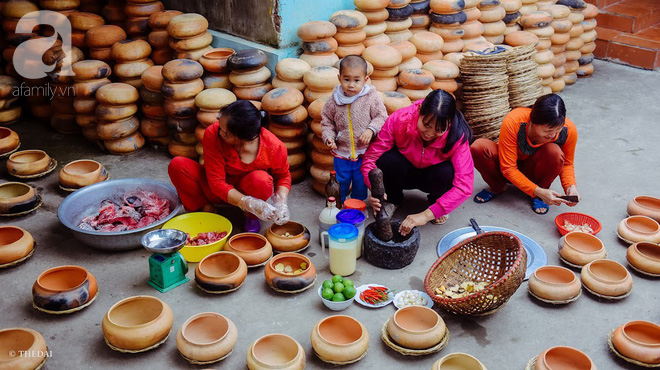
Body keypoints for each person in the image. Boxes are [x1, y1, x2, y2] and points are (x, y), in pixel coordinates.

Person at [362, 89, 474, 236]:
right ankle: (393, 199)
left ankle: (436, 205)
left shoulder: (457, 136)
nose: (430, 133)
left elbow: (464, 186)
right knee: (387, 160)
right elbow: (370, 159)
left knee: (448, 172)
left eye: (439, 130)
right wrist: (375, 190)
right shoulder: (400, 119)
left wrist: (425, 215)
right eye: (426, 125)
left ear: (450, 123)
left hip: (433, 176)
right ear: (420, 111)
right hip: (403, 171)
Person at [168, 100, 291, 232]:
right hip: (214, 189)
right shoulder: (213, 133)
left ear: (242, 138)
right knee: (178, 165)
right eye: (220, 126)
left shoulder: (274, 147)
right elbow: (216, 182)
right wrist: (245, 202)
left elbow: (283, 176)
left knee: (261, 179)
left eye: (225, 133)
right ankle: (205, 209)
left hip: (248, 189)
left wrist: (281, 202)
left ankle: (251, 215)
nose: (220, 132)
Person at [471, 94, 580, 214]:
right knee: (478, 148)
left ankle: (539, 194)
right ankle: (498, 187)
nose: (553, 135)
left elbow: (567, 164)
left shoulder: (568, 130)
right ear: (532, 121)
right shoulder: (514, 121)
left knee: (554, 152)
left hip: (534, 170)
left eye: (557, 129)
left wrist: (571, 188)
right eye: (547, 130)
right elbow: (508, 168)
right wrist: (536, 190)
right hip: (505, 166)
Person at [321, 55, 388, 202]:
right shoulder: (333, 100)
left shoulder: (371, 98)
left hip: (364, 152)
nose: (351, 84)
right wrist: (329, 137)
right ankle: (338, 205)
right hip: (342, 152)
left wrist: (370, 129)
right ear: (339, 78)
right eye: (346, 79)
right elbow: (327, 122)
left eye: (356, 80)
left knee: (360, 182)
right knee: (340, 181)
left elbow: (382, 116)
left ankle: (358, 206)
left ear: (365, 79)